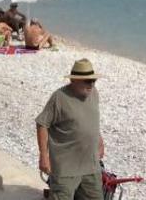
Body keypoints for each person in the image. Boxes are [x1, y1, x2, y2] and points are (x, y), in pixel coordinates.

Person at [36, 59, 105, 200]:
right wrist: (44, 155)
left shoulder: (94, 93)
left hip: (91, 166)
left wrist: (99, 139)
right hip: (65, 169)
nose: (91, 84)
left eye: (93, 80)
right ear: (74, 80)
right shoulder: (59, 98)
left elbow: (90, 119)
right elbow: (42, 124)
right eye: (87, 81)